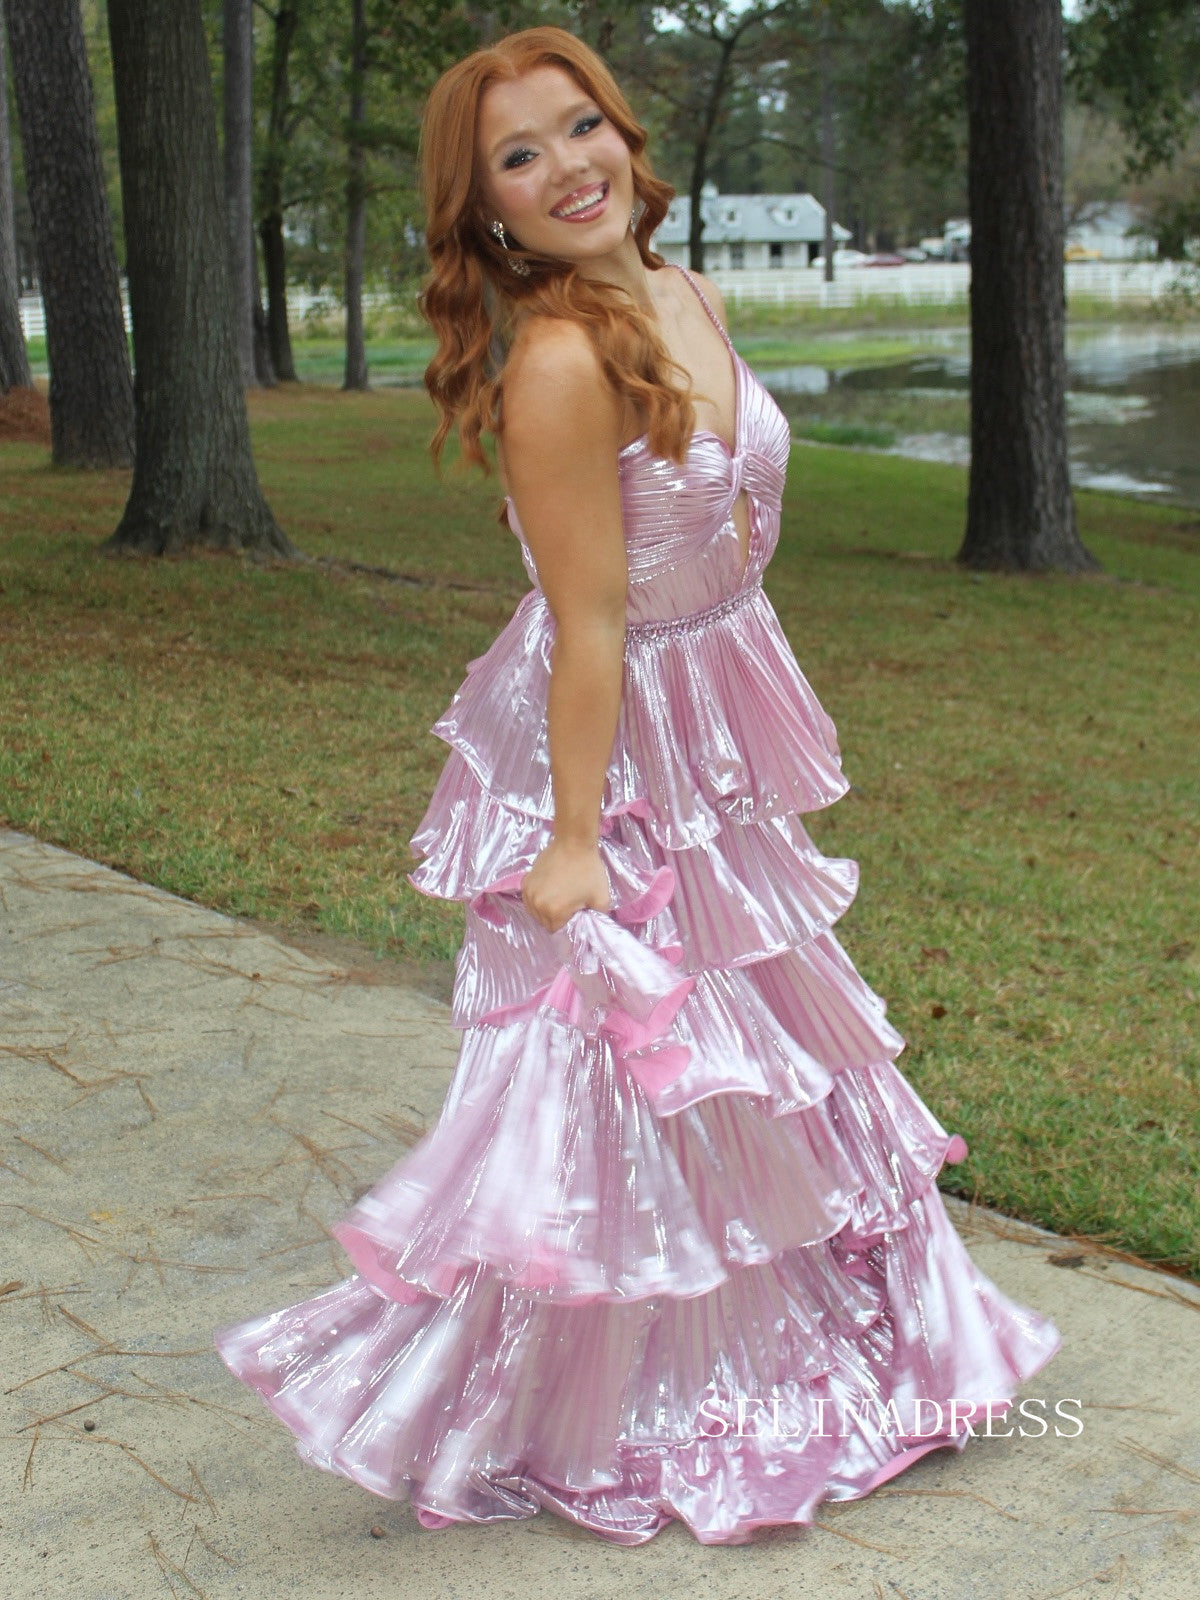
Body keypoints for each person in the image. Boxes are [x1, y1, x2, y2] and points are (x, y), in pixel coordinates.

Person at [214, 25, 1063, 1547]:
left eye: (580, 125)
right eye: (517, 156)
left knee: (768, 1042)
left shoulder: (684, 291)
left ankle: (819, 1342)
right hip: (615, 738)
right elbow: (588, 620)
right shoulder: (556, 362)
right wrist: (571, 838)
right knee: (631, 1067)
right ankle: (618, 1399)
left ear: (624, 129)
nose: (566, 166)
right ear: (485, 210)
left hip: (713, 706)